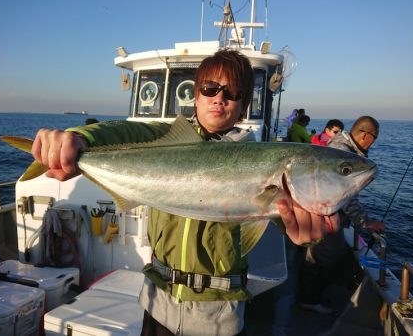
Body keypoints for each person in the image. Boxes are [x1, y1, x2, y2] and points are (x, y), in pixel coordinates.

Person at [31, 49, 339, 336]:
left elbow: (282, 224)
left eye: (232, 93)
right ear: (196, 95)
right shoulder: (166, 137)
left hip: (217, 317)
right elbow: (120, 131)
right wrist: (78, 139)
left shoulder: (259, 154)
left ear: (244, 104)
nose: (219, 98)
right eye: (210, 88)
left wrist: (298, 228)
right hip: (156, 303)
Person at [298, 115, 386, 314]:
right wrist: (365, 221)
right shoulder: (342, 153)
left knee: (320, 256)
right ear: (365, 135)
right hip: (325, 218)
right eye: (374, 137)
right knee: (318, 258)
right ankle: (309, 299)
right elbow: (343, 195)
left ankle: (313, 296)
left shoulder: (341, 149)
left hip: (329, 216)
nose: (373, 141)